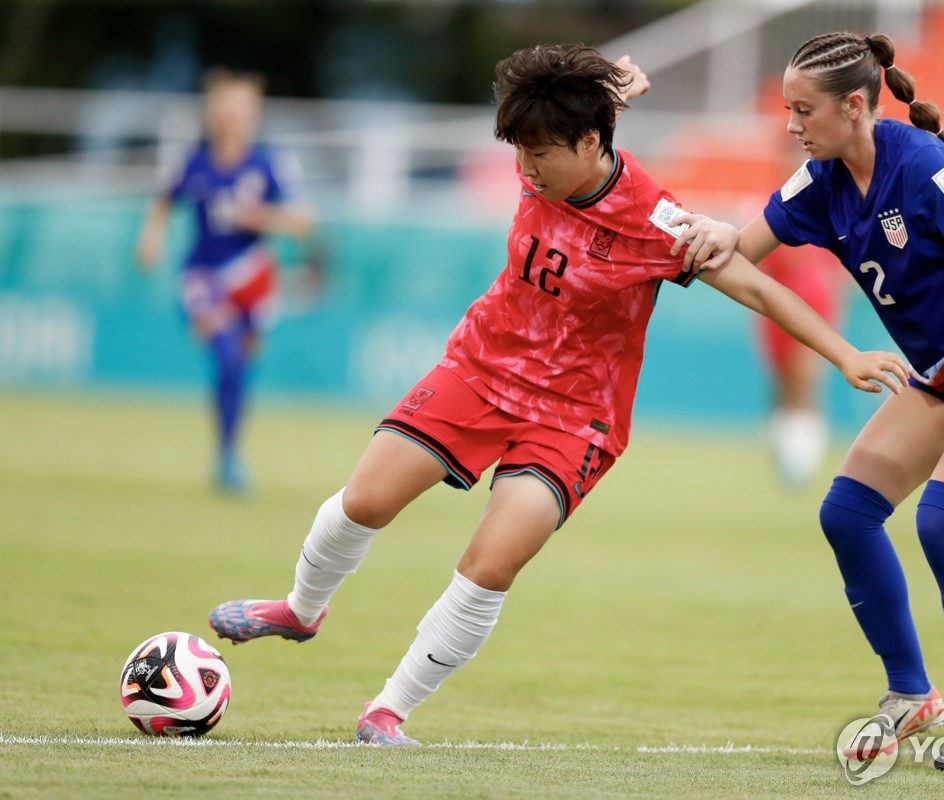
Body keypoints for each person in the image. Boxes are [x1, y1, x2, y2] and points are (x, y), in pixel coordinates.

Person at [207, 44, 908, 747]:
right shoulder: (547, 152)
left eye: (539, 154)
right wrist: (615, 84)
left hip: (578, 419)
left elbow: (755, 285)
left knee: (491, 562)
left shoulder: (656, 221)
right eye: (520, 152)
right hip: (480, 368)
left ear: (590, 144)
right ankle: (300, 609)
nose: (526, 169)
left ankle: (388, 711)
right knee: (365, 500)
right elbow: (578, 108)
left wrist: (843, 353)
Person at [670, 32, 944, 771]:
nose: (791, 126)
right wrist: (711, 233)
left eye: (804, 111)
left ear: (854, 107)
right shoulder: (819, 179)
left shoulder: (923, 164)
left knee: (943, 522)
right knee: (848, 513)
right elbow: (746, 248)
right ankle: (910, 694)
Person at [136, 68, 315, 494]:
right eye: (224, 106)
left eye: (240, 107)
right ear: (210, 111)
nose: (230, 115)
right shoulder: (192, 161)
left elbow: (304, 221)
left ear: (253, 114)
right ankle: (230, 457)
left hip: (253, 278)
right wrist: (151, 237)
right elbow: (162, 202)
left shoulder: (271, 163)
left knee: (238, 368)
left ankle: (228, 451)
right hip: (203, 276)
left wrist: (264, 217)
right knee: (228, 354)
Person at [757, 244, 845, 487]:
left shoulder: (825, 210)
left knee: (804, 383)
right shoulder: (762, 209)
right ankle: (786, 454)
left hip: (810, 294)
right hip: (773, 298)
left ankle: (802, 462)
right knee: (781, 384)